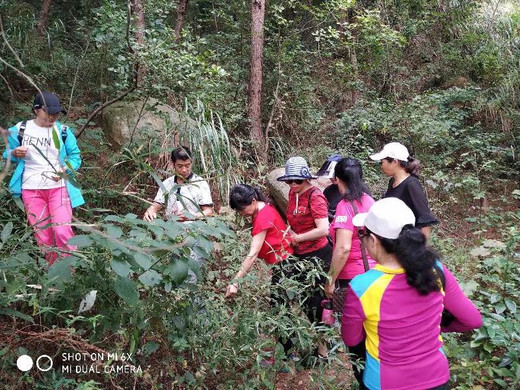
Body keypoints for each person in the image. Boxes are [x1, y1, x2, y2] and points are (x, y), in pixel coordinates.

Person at [342, 197, 482, 390]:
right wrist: (438, 327)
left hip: (384, 382)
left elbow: (351, 339)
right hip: (437, 378)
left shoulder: (361, 287)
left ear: (373, 240)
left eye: (363, 235)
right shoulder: (436, 270)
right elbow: (473, 320)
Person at [2, 91, 84, 265]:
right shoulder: (20, 130)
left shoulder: (62, 131)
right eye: (48, 112)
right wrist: (15, 153)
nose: (52, 116)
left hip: (58, 187)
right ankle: (53, 274)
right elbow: (6, 154)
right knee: (43, 235)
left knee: (62, 231)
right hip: (31, 189)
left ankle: (71, 272)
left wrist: (64, 169)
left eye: (56, 113)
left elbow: (75, 157)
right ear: (36, 110)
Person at [324, 157, 375, 388]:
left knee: (355, 338)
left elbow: (343, 248)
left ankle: (364, 380)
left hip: (352, 279)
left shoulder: (345, 207)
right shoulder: (370, 201)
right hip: (376, 275)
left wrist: (330, 280)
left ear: (339, 179)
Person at [277, 156, 332, 358]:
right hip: (299, 253)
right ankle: (311, 339)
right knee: (302, 297)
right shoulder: (293, 193)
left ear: (306, 179)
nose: (293, 184)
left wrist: (298, 238)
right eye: (289, 181)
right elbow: (293, 219)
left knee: (316, 302)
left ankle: (323, 350)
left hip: (318, 254)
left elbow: (323, 229)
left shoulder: (315, 196)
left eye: (297, 181)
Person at [143, 146, 213, 283]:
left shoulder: (200, 183)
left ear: (191, 162)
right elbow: (156, 206)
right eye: (180, 166)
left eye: (187, 165)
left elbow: (209, 212)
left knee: (191, 275)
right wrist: (150, 211)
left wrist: (191, 216)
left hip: (193, 236)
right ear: (172, 164)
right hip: (171, 235)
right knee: (172, 272)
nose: (184, 170)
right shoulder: (167, 184)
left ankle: (193, 303)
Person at [225, 184, 293, 297]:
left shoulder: (263, 216)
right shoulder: (263, 206)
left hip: (285, 263)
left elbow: (253, 254)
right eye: (239, 211)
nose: (241, 214)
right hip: (282, 261)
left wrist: (235, 282)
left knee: (280, 302)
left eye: (242, 209)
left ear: (253, 201)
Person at [369, 142, 438, 240]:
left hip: (408, 244)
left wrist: (421, 250)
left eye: (382, 162)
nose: (381, 166)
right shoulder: (392, 182)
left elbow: (425, 219)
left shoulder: (411, 184)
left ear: (395, 162)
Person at [316, 154, 343, 222]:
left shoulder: (357, 190)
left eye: (335, 174)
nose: (332, 177)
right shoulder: (328, 191)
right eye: (330, 174)